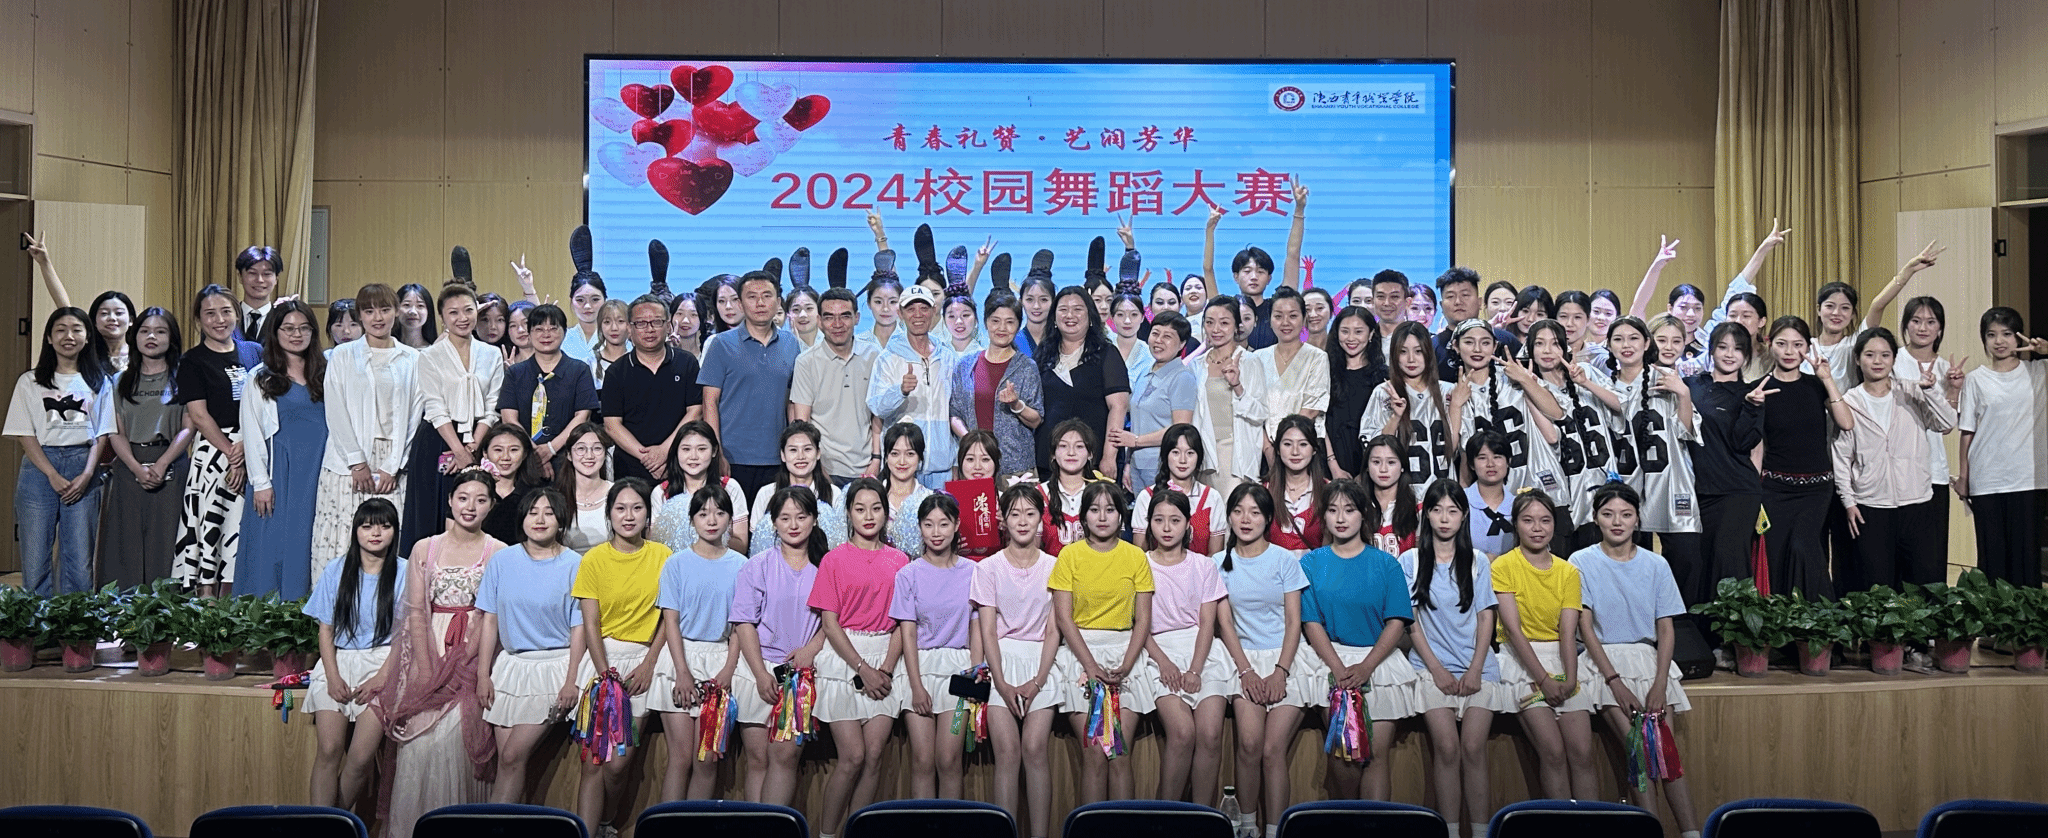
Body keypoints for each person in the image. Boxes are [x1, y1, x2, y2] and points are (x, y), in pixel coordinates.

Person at [379, 471, 503, 838]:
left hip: (476, 649)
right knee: (419, 744)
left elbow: (491, 613)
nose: (470, 506)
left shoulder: (499, 551)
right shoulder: (425, 547)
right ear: (450, 501)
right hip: (429, 644)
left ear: (491, 505)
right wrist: (425, 666)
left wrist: (465, 660)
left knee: (456, 741)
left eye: (480, 499)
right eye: (463, 498)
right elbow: (416, 611)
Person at [1572, 483, 1701, 837]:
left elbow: (1666, 628)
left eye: (1626, 515)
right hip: (1604, 663)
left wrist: (1660, 684)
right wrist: (1614, 682)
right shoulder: (1581, 561)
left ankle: (1691, 832)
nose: (1617, 522)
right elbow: (1585, 627)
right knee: (1641, 751)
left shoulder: (1656, 564)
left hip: (1649, 662)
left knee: (1666, 755)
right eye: (1608, 514)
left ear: (1637, 520)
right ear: (1595, 518)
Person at [1399, 478, 1508, 838]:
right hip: (1431, 668)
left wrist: (1475, 669)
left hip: (1478, 667)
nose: (1444, 518)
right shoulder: (1410, 560)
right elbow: (1411, 622)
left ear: (1463, 516)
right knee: (1446, 748)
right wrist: (1437, 670)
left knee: (1473, 748)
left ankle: (1480, 832)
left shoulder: (1478, 561)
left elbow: (1486, 617)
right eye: (1437, 510)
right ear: (1427, 515)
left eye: (1452, 510)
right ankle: (1447, 831)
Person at [1299, 479, 1419, 801]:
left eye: (1349, 510)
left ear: (1364, 515)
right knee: (1345, 754)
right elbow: (1311, 622)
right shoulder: (1310, 563)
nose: (1340, 518)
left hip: (1379, 662)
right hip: (1331, 661)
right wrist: (1338, 669)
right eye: (1333, 510)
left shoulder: (1387, 564)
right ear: (1323, 516)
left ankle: (1375, 824)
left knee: (1377, 756)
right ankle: (1346, 820)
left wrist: (1366, 667)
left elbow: (1397, 621)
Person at [811, 477, 911, 836]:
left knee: (873, 757)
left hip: (886, 657)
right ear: (849, 514)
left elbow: (903, 623)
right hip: (845, 658)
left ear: (886, 513)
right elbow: (829, 623)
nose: (868, 516)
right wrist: (862, 668)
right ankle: (827, 834)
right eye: (860, 508)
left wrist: (885, 668)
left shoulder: (900, 561)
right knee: (852, 756)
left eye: (876, 508)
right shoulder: (834, 560)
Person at [1206, 484, 1307, 838]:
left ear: (1267, 518)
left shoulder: (1284, 560)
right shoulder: (1217, 564)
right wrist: (1246, 670)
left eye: (1254, 512)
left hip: (1287, 659)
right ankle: (1248, 827)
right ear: (1229, 517)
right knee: (1249, 745)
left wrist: (1281, 672)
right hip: (1241, 660)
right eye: (1238, 511)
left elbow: (1294, 621)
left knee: (1271, 749)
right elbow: (1224, 623)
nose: (1245, 519)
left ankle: (1276, 829)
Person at [476, 489, 587, 805]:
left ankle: (492, 826)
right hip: (510, 670)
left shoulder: (575, 564)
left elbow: (579, 628)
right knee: (508, 762)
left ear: (561, 520)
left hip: (553, 669)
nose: (540, 519)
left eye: (549, 513)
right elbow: (490, 621)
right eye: (532, 512)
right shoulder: (502, 560)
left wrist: (571, 679)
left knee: (513, 756)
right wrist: (483, 675)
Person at [571, 479, 669, 836]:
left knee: (618, 764)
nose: (629, 516)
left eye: (637, 508)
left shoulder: (663, 557)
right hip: (601, 661)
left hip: (642, 661)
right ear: (609, 514)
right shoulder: (593, 559)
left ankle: (608, 822)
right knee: (593, 761)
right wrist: (604, 675)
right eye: (621, 508)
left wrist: (649, 663)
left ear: (647, 514)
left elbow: (669, 618)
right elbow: (591, 624)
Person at [1829, 328, 1956, 592]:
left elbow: (1947, 423)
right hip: (1870, 504)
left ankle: (1916, 623)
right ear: (1857, 359)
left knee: (1918, 583)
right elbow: (1841, 458)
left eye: (1885, 355)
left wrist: (1931, 391)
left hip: (1916, 501)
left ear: (1894, 359)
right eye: (1870, 355)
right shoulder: (1850, 401)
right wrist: (1848, 501)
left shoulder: (1911, 391)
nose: (1877, 361)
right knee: (1876, 584)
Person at [1050, 481, 1154, 805]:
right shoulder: (1069, 556)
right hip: (1081, 655)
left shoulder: (1136, 557)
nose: (1103, 517)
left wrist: (1126, 665)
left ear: (1121, 516)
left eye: (1110, 510)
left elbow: (1143, 620)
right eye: (1095, 510)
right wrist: (1090, 666)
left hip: (1126, 655)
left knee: (1119, 753)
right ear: (1083, 517)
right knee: (1094, 753)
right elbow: (1064, 618)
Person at [1491, 490, 1597, 800]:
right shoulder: (1503, 566)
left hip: (1563, 659)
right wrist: (1544, 680)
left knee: (1582, 753)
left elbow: (1568, 631)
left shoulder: (1568, 571)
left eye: (1545, 520)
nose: (1537, 528)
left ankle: (1591, 822)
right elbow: (1513, 631)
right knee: (1553, 752)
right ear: (1516, 524)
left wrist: (1571, 678)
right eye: (1528, 520)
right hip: (1521, 661)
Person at [312, 284, 422, 579]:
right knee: (342, 540)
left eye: (385, 310)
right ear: (360, 315)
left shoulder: (412, 359)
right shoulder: (342, 355)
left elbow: (414, 416)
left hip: (394, 462)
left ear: (396, 312)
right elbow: (335, 410)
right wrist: (356, 462)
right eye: (370, 311)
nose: (378, 318)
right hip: (346, 462)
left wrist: (392, 466)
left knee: (388, 538)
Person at [728, 483, 828, 806]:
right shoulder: (757, 565)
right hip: (757, 670)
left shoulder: (826, 567)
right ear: (773, 522)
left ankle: (775, 827)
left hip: (800, 675)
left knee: (784, 756)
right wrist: (760, 674)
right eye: (785, 518)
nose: (793, 525)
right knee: (757, 759)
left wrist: (810, 650)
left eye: (801, 516)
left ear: (814, 519)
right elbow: (744, 623)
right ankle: (754, 827)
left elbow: (834, 621)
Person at [649, 485, 750, 801]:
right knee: (680, 758)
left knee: (706, 759)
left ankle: (695, 823)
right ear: (692, 519)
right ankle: (665, 823)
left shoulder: (741, 565)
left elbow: (740, 626)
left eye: (720, 513)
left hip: (720, 659)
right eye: (703, 513)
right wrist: (682, 671)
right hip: (679, 658)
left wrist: (728, 670)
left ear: (730, 519)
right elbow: (671, 622)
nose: (712, 520)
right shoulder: (676, 563)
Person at [972, 485, 1062, 836]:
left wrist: (1037, 681)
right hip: (1001, 663)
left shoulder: (1055, 567)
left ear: (1041, 519)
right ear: (1003, 520)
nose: (1022, 521)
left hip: (1042, 662)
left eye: (1030, 514)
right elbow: (987, 630)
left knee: (1035, 748)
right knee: (1007, 752)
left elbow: (1054, 630)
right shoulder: (988, 568)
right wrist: (1001, 683)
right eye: (1014, 514)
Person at [305, 498, 406, 810]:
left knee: (361, 758)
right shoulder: (336, 569)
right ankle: (321, 825)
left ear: (395, 531)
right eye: (367, 526)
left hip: (383, 662)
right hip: (338, 661)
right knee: (329, 750)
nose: (375, 533)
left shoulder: (405, 571)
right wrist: (332, 676)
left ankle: (337, 823)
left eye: (384, 526)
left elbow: (405, 636)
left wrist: (381, 678)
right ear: (356, 531)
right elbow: (325, 630)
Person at [8, 307, 113, 596]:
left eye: (77, 329)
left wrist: (87, 474)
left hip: (83, 465)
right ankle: (38, 622)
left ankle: (73, 622)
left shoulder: (100, 381)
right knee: (35, 559)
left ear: (88, 337)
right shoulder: (30, 381)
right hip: (40, 468)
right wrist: (51, 474)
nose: (69, 336)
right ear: (49, 338)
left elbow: (102, 434)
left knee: (79, 561)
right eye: (61, 330)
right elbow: (25, 433)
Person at [1138, 489, 1230, 805]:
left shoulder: (1204, 565)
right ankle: (1166, 817)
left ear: (1188, 524)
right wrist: (1164, 662)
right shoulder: (1139, 564)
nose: (1167, 528)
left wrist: (1195, 669)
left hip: (1202, 652)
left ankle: (1203, 818)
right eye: (1159, 520)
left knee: (1210, 735)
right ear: (1149, 523)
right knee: (1182, 733)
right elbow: (1139, 625)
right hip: (1156, 651)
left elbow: (1207, 623)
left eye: (1175, 520)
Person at [236, 301, 329, 599]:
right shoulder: (260, 378)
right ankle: (270, 614)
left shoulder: (326, 373)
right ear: (275, 333)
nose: (296, 334)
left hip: (320, 471)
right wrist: (260, 483)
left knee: (311, 541)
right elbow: (252, 434)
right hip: (281, 473)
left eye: (303, 328)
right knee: (274, 543)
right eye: (288, 328)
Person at [404, 281, 506, 553]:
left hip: (479, 440)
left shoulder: (491, 354)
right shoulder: (429, 356)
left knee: (474, 513)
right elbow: (435, 408)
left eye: (468, 310)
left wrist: (471, 449)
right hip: (438, 440)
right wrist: (458, 451)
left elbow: (493, 406)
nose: (462, 318)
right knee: (431, 517)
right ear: (442, 317)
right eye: (453, 312)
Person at [172, 285, 262, 594]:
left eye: (226, 311)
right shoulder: (192, 360)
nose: (219, 320)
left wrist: (245, 448)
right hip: (213, 452)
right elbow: (198, 415)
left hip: (253, 447)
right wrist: (232, 454)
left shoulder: (254, 352)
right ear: (198, 320)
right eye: (210, 314)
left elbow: (264, 404)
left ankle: (238, 602)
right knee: (212, 526)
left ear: (237, 313)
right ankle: (208, 601)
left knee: (241, 528)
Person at [892, 493, 980, 799]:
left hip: (959, 675)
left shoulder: (972, 572)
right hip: (920, 670)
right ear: (920, 527)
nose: (936, 532)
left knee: (949, 759)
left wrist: (975, 675)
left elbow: (977, 627)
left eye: (943, 523)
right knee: (922, 761)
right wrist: (916, 687)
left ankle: (950, 822)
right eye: (928, 524)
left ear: (956, 525)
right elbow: (907, 633)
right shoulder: (908, 574)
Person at [1757, 316, 1854, 595]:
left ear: (1807, 348)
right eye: (1782, 344)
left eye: (1797, 345)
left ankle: (1820, 617)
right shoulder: (1759, 388)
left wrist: (1827, 378)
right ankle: (1781, 619)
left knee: (1804, 548)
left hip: (1816, 489)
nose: (1789, 351)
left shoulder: (1816, 385)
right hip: (1774, 488)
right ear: (1770, 345)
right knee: (1777, 554)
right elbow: (1756, 445)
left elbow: (1846, 422)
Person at [100, 308, 192, 588]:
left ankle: (167, 606)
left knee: (166, 540)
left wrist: (162, 463)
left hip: (171, 464)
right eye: (145, 331)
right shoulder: (119, 381)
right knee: (125, 542)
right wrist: (136, 467)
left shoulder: (184, 377)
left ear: (171, 338)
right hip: (129, 465)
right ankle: (124, 607)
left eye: (160, 331)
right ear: (135, 336)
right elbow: (116, 432)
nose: (152, 337)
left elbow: (189, 427)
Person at [1957, 307, 2048, 587]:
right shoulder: (1975, 379)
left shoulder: (2039, 371)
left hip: (2030, 478)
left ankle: (2026, 615)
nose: (1999, 341)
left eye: (2007, 334)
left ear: (2019, 337)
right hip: (1988, 478)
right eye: (1991, 334)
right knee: (1992, 559)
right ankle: (1993, 614)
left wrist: (2045, 350)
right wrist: (1964, 477)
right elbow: (1967, 431)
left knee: (2027, 559)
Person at [700, 271, 802, 500]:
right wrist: (717, 453)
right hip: (732, 458)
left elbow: (792, 401)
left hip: (778, 457)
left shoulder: (791, 344)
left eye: (767, 295)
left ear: (778, 302)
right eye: (752, 297)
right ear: (740, 303)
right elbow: (709, 402)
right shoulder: (720, 344)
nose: (760, 303)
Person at [1687, 323, 1767, 588]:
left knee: (1728, 563)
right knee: (1701, 563)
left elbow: (1744, 443)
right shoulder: (1692, 385)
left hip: (1737, 491)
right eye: (1722, 347)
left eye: (1738, 349)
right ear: (1711, 350)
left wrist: (1752, 407)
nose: (1730, 354)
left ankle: (1733, 616)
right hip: (1697, 491)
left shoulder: (1751, 394)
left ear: (1747, 355)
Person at [1445, 318, 1566, 494]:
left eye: (1485, 343)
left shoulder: (1514, 376)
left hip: (1538, 487)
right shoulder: (1454, 392)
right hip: (1490, 495)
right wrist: (1455, 405)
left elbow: (1557, 414)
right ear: (1456, 346)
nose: (1477, 349)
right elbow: (1454, 453)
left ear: (1495, 347)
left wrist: (1525, 380)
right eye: (1469, 342)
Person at [1887, 296, 1960, 582]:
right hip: (1895, 470)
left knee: (1931, 556)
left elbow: (1946, 428)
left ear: (1940, 328)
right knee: (1897, 555)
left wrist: (1952, 390)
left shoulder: (1947, 369)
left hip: (1933, 471)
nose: (1923, 328)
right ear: (1905, 325)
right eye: (1916, 321)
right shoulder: (1892, 360)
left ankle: (1931, 610)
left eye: (1931, 322)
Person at [1525, 318, 1616, 546]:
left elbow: (1622, 405)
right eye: (1539, 344)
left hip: (1605, 489)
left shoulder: (1587, 372)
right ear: (1530, 349)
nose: (1547, 350)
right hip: (1567, 495)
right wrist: (1528, 387)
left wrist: (1585, 383)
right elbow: (1551, 436)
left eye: (1555, 343)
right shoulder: (1534, 388)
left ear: (1565, 347)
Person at [602, 295, 704, 484]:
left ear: (668, 326)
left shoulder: (687, 363)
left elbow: (696, 411)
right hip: (631, 469)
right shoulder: (616, 372)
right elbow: (612, 425)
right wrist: (648, 459)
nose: (649, 329)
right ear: (630, 329)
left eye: (656, 322)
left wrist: (664, 451)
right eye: (641, 323)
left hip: (679, 463)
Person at [867, 285, 958, 490]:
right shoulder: (887, 358)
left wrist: (955, 461)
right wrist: (900, 391)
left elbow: (955, 410)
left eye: (924, 308)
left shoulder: (947, 357)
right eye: (910, 309)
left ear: (934, 311)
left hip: (942, 468)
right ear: (900, 313)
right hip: (903, 467)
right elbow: (876, 407)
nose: (918, 315)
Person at [1036, 286, 1132, 478]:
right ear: (1054, 318)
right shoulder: (1043, 354)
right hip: (1048, 460)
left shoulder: (1107, 354)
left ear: (1090, 316)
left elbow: (1118, 407)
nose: (1070, 315)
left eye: (1078, 309)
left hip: (1093, 460)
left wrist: (1109, 456)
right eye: (1063, 309)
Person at [792, 287, 884, 487]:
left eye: (845, 316)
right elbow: (802, 423)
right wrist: (817, 468)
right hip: (824, 468)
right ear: (819, 321)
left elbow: (878, 413)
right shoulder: (806, 362)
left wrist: (877, 458)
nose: (837, 324)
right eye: (829, 317)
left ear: (857, 318)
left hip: (868, 467)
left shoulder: (874, 355)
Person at [951, 291, 1046, 482]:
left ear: (1018, 325)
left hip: (1016, 469)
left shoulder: (1027, 367)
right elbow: (954, 414)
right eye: (995, 321)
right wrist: (973, 444)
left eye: (1010, 322)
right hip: (974, 469)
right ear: (985, 322)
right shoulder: (966, 365)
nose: (1002, 328)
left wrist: (1016, 404)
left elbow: (1036, 419)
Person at [1200, 184, 1308, 350]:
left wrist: (1299, 210)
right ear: (1236, 276)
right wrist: (1210, 231)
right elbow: (1208, 269)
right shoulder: (1226, 309)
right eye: (1247, 271)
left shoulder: (1278, 307)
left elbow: (1293, 255)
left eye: (1260, 272)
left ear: (1269, 278)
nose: (1254, 277)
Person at [497, 304, 598, 476]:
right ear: (529, 334)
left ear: (564, 332)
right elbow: (509, 419)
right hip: (524, 457)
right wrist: (535, 454)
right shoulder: (515, 373)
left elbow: (583, 416)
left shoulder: (580, 370)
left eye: (553, 328)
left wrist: (551, 449)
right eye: (539, 329)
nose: (546, 334)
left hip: (569, 458)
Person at [1187, 296, 1269, 494]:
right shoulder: (1196, 365)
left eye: (1224, 323)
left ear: (1236, 326)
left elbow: (1260, 413)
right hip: (1203, 454)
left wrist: (1237, 386)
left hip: (1235, 456)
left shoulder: (1250, 362)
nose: (1216, 329)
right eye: (1210, 322)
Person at [1113, 310, 1197, 489]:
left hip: (1164, 465)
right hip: (1137, 465)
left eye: (1167, 336)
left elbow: (1180, 428)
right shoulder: (1146, 372)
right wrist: (1128, 462)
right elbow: (1138, 423)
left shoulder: (1183, 377)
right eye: (1155, 333)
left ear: (1182, 344)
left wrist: (1136, 440)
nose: (1158, 341)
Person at [1363, 321, 1453, 487]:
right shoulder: (1383, 392)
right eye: (1403, 352)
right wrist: (1395, 417)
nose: (1411, 359)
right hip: (1402, 493)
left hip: (1443, 493)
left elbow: (1460, 446)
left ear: (1428, 352)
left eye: (1418, 351)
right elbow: (1373, 449)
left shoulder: (1448, 391)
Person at [25, 234, 133, 372]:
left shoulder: (142, 352)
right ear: (94, 321)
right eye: (104, 313)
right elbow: (65, 308)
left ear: (131, 320)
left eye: (119, 313)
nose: (112, 318)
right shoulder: (85, 350)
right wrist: (45, 263)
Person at [649, 421, 750, 553]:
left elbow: (742, 546)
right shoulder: (662, 492)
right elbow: (655, 544)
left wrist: (713, 536)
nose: (693, 456)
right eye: (686, 449)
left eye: (702, 449)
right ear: (676, 452)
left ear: (714, 451)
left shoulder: (730, 488)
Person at [1249, 287, 1329, 452]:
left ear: (1304, 318)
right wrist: (1269, 451)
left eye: (1293, 316)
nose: (1285, 323)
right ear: (1270, 319)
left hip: (1304, 447)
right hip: (1264, 448)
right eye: (1278, 316)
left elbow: (1312, 408)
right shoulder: (1257, 357)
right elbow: (1252, 409)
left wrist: (1286, 445)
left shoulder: (1317, 357)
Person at [748, 420, 848, 551]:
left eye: (807, 449)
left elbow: (841, 542)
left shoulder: (834, 494)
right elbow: (756, 543)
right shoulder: (766, 494)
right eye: (793, 450)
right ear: (783, 455)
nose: (801, 456)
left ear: (818, 453)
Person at [1131, 424, 1224, 556]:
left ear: (1199, 457)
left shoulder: (1212, 497)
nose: (1183, 460)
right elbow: (1140, 555)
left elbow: (1215, 557)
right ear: (1165, 455)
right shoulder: (1146, 497)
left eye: (1190, 453)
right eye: (1175, 452)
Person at [1325, 306, 1388, 479]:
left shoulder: (1384, 376)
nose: (1351, 338)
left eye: (1358, 331)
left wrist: (1367, 471)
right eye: (1345, 331)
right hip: (1331, 464)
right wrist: (1333, 466)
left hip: (1374, 466)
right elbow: (1319, 422)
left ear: (1371, 334)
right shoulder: (1324, 372)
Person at [1432, 268, 1520, 382]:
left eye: (1465, 295)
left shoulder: (1506, 341)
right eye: (1450, 296)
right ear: (1441, 305)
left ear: (1479, 302)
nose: (1458, 301)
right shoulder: (1431, 347)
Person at [475, 422, 548, 548]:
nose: (505, 457)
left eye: (514, 450)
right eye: (498, 450)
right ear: (485, 453)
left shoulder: (536, 494)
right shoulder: (471, 489)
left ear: (525, 454)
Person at [1264, 415, 1329, 551]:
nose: (1295, 452)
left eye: (1303, 444)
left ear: (1314, 449)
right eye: (1287, 444)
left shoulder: (1329, 491)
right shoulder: (1263, 492)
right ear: (1277, 449)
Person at [551, 422, 613, 551]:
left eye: (597, 448)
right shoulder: (556, 498)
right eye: (581, 449)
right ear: (569, 455)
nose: (589, 456)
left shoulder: (617, 493)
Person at [1358, 435, 1420, 555]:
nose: (1383, 469)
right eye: (1376, 462)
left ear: (1402, 466)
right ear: (1367, 467)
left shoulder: (1418, 509)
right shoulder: (1356, 507)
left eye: (1391, 462)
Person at [1463, 432, 1517, 556]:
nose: (1490, 464)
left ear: (1508, 461)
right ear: (1471, 464)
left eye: (1497, 457)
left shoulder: (1518, 505)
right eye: (1482, 458)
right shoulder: (1459, 501)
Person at [230, 245, 285, 343]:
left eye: (267, 274)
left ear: (276, 279)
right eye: (252, 273)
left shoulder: (284, 319)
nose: (260, 280)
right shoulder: (225, 318)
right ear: (240, 276)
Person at [562, 271, 608, 363]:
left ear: (605, 300)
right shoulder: (561, 338)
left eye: (595, 299)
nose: (587, 306)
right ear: (572, 302)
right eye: (580, 300)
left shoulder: (617, 336)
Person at [590, 299, 631, 384]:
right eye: (607, 322)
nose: (614, 328)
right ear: (600, 326)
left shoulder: (636, 362)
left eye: (620, 321)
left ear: (629, 325)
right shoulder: (590, 364)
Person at [785, 285, 824, 350]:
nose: (803, 315)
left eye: (809, 308)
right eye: (796, 310)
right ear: (787, 315)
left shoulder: (833, 342)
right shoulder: (781, 346)